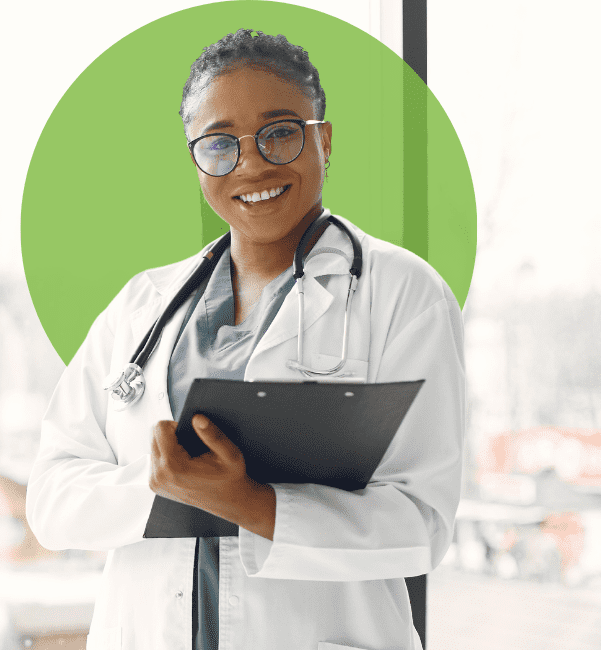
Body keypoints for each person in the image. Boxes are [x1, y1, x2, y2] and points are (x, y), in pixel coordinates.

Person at [26, 29, 465, 650]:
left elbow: (421, 525)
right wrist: (164, 485)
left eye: (281, 132)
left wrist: (253, 503)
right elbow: (50, 501)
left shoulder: (401, 293)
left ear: (325, 139)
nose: (252, 163)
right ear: (196, 161)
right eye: (220, 144)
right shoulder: (142, 305)